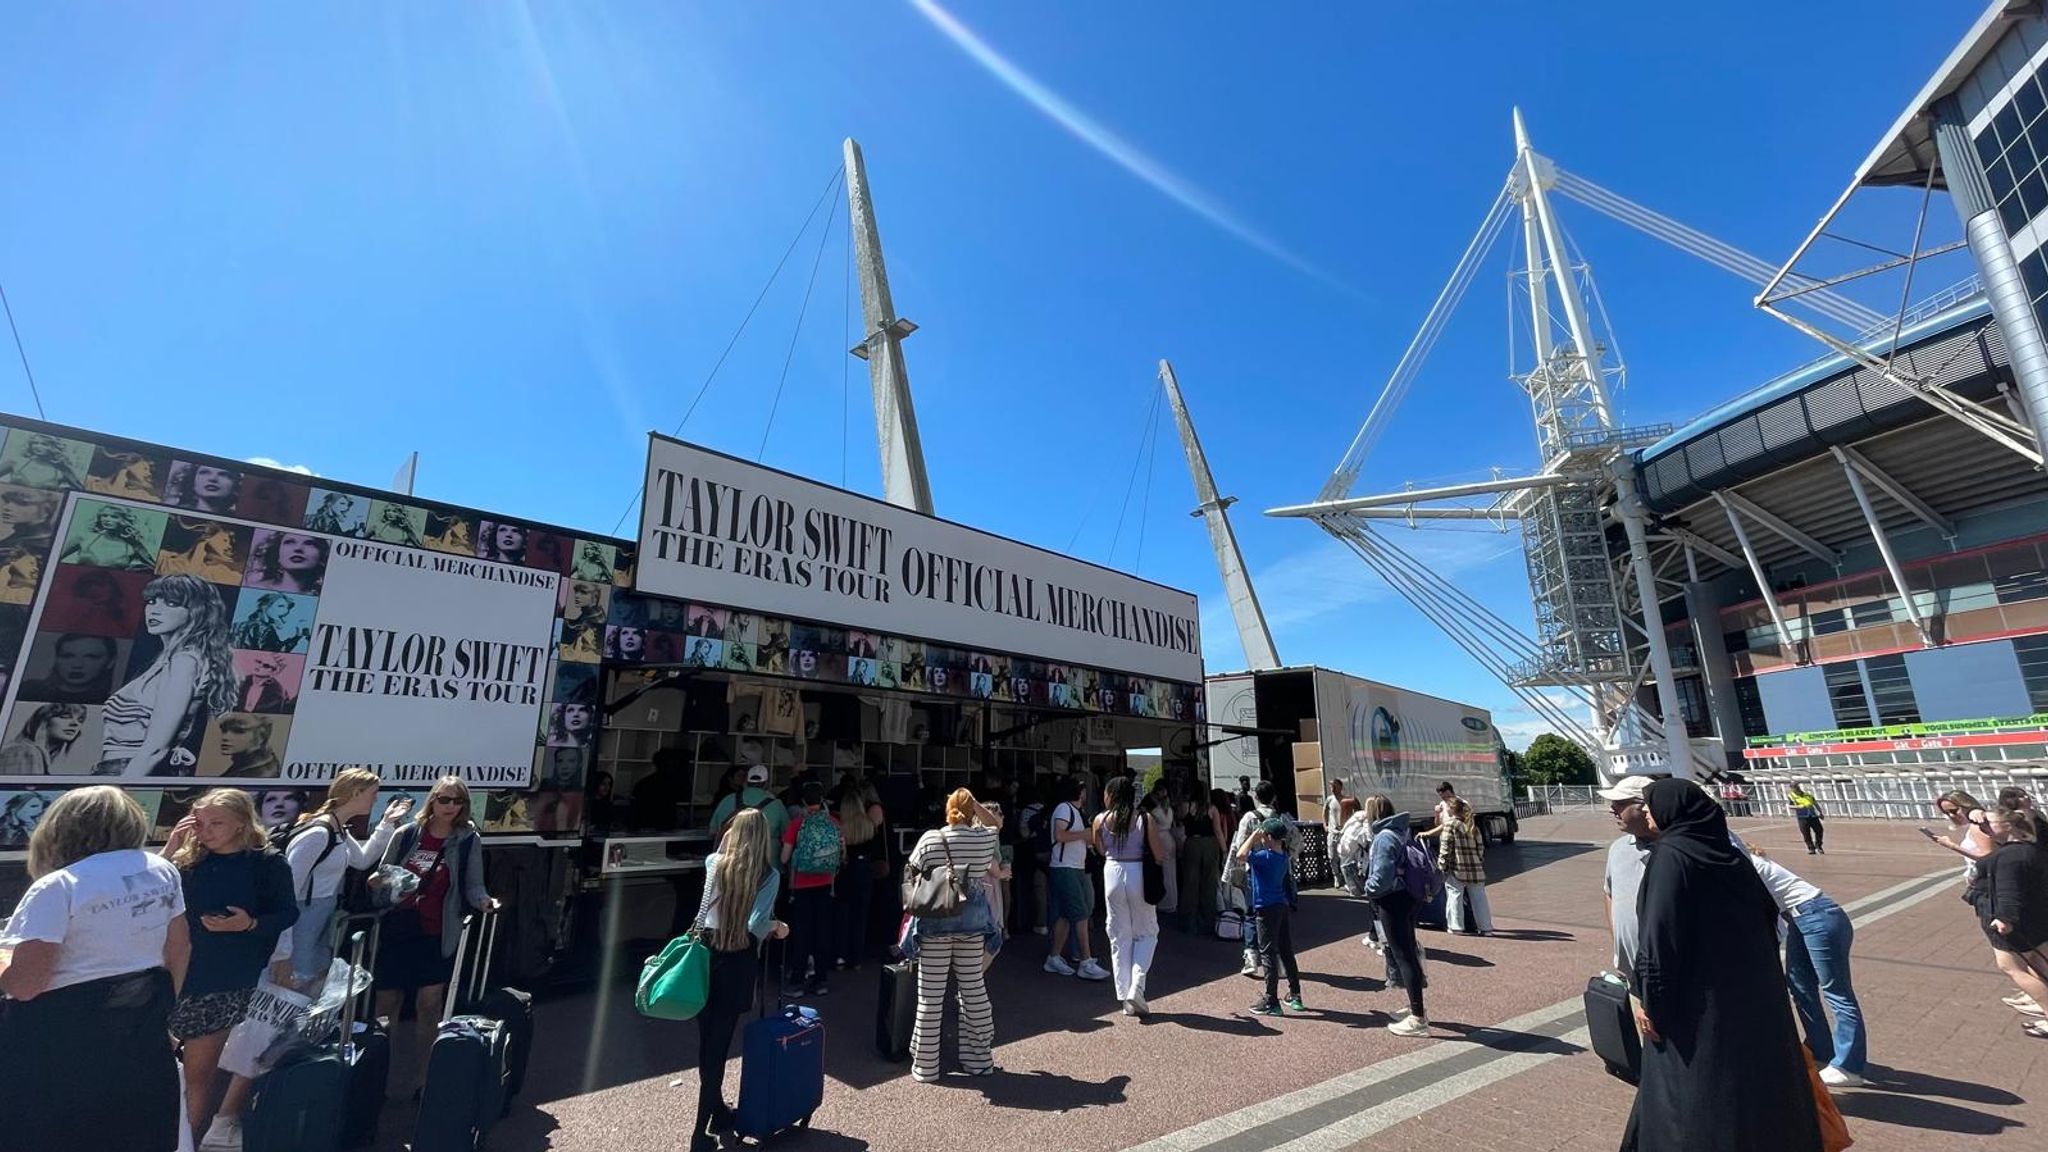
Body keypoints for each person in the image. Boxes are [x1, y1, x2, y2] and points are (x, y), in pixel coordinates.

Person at [1624, 780, 1822, 1151]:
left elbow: (1659, 940)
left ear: (1673, 810)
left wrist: (1651, 1001)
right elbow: (1767, 923)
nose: (1648, 813)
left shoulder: (1671, 856)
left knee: (1696, 1098)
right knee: (1757, 1095)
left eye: (1651, 806)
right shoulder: (1730, 857)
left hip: (1698, 1009)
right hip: (1752, 1001)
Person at [0, 786, 189, 1152]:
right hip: (140, 1038)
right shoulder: (161, 870)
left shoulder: (58, 886)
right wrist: (164, 1014)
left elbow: (25, 984)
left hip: (58, 1046)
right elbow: (178, 948)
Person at [162, 788, 298, 1149]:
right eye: (200, 821)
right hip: (169, 975)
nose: (205, 830)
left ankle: (187, 1142)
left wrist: (249, 925)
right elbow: (152, 896)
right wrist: (173, 845)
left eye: (216, 823)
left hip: (224, 978)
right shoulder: (188, 859)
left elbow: (287, 913)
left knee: (199, 1072)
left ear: (241, 823)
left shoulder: (267, 863)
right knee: (157, 1070)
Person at [373, 776, 496, 1096]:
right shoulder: (407, 834)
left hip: (436, 931)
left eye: (457, 802)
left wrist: (484, 901)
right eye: (444, 800)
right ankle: (374, 1078)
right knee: (387, 1005)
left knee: (430, 1004)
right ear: (432, 801)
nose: (450, 807)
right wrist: (380, 883)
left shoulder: (468, 839)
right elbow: (384, 873)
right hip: (399, 926)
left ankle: (424, 1080)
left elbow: (473, 884)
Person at [685, 809, 787, 1151]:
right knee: (720, 1044)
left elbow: (703, 911)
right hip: (738, 959)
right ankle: (701, 1130)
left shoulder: (714, 863)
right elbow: (756, 924)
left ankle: (717, 1112)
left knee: (706, 1044)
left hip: (706, 953)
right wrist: (777, 926)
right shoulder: (767, 875)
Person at [1732, 835, 1867, 1085]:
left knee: (1836, 990)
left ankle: (1850, 1065)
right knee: (1799, 984)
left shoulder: (1742, 862)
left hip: (1818, 914)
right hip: (1801, 918)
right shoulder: (1744, 859)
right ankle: (1820, 1047)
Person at [906, 789, 1005, 1082]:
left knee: (930, 997)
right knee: (973, 988)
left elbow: (912, 871)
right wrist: (974, 804)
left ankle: (926, 1066)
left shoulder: (931, 838)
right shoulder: (982, 839)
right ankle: (978, 1060)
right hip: (972, 924)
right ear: (971, 811)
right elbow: (994, 825)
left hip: (936, 922)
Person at [99, 574, 238, 779]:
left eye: (172, 603)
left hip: (130, 771)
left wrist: (119, 791)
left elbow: (156, 749)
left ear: (197, 612)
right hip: (118, 769)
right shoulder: (165, 659)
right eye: (152, 601)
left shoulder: (184, 662)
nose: (155, 609)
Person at [1093, 776, 1170, 1017]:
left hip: (1112, 872)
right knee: (1147, 932)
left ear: (1111, 795)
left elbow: (1100, 849)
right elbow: (1158, 854)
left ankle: (1125, 995)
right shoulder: (1144, 819)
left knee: (1118, 935)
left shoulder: (1099, 819)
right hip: (1139, 873)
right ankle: (1137, 986)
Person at [1975, 806, 2048, 1040]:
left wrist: (2005, 918)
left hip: (2016, 922)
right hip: (2036, 916)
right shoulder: (2030, 848)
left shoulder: (2008, 856)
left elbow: (2008, 891)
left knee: (2011, 967)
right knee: (2039, 965)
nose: (1984, 827)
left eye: (1989, 823)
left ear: (2007, 826)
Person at [1360, 794, 1430, 1036]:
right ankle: (1414, 1007)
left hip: (1392, 899)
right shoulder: (1401, 831)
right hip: (1408, 896)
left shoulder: (1382, 838)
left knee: (1403, 955)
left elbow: (1381, 876)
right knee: (1408, 950)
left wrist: (1367, 889)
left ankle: (1418, 1018)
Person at [1043, 774, 1109, 982]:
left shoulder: (1073, 811)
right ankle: (1085, 961)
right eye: (1082, 788)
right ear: (1078, 792)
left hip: (1073, 867)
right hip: (1066, 867)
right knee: (1081, 914)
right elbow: (1060, 835)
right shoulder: (1064, 809)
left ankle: (1054, 957)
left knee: (1065, 914)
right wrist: (1085, 834)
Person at [780, 780, 842, 997]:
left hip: (801, 886)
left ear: (803, 802)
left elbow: (784, 856)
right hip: (827, 885)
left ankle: (797, 981)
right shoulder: (833, 822)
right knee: (822, 933)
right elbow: (841, 855)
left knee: (802, 934)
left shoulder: (798, 824)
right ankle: (821, 980)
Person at [1240, 817, 1305, 1017]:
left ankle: (1271, 999)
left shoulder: (1264, 857)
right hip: (1280, 905)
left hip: (1265, 908)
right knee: (1286, 950)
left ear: (1268, 837)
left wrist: (1253, 835)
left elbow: (1241, 854)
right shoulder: (1282, 856)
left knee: (1267, 952)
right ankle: (1295, 994)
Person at [1600, 776, 1655, 975]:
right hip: (1632, 972)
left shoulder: (1680, 849)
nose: (1612, 809)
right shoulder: (1618, 849)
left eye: (1620, 803)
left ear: (1646, 806)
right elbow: (1609, 893)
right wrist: (1618, 942)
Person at [833, 775, 885, 970]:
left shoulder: (841, 827)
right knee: (860, 916)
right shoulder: (869, 826)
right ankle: (856, 959)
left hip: (845, 870)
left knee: (842, 915)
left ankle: (840, 955)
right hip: (864, 870)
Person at [1435, 797, 1493, 936]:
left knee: (1455, 895)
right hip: (1475, 868)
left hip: (1457, 867)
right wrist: (1478, 861)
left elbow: (1445, 848)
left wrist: (1442, 866)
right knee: (1479, 898)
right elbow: (1480, 848)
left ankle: (1456, 926)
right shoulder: (1472, 826)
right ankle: (1486, 928)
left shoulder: (1450, 825)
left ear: (1451, 809)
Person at [19, 632, 121, 702]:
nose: (77, 665)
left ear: (110, 662)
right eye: (68, 656)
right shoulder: (27, 691)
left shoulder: (112, 705)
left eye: (91, 657)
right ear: (57, 658)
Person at [0, 702, 92, 775]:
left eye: (80, 720)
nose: (75, 723)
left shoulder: (34, 753)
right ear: (44, 720)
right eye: (65, 717)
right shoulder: (24, 751)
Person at [1178, 787, 1223, 934]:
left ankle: (1188, 921)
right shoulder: (1212, 809)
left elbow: (1180, 822)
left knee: (1190, 883)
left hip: (1191, 843)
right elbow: (1217, 830)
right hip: (1210, 844)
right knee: (1209, 882)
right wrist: (1224, 848)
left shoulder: (1187, 806)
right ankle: (1207, 920)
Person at [60, 503, 158, 570]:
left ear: (123, 520)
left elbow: (154, 567)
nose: (107, 519)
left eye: (114, 517)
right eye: (104, 515)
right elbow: (56, 558)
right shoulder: (83, 537)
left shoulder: (132, 546)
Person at [709, 763, 790, 843]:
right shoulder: (777, 805)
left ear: (747, 782)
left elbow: (713, 831)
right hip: (768, 854)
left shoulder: (727, 800)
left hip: (733, 853)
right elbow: (787, 835)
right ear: (766, 783)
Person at [245, 531, 328, 596]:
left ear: (321, 556)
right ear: (277, 555)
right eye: (289, 542)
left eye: (309, 543)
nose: (298, 548)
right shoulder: (253, 588)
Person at [1319, 780, 1349, 892]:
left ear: (1340, 787)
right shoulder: (1329, 800)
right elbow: (1324, 812)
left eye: (1335, 787)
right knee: (1332, 856)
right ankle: (1336, 876)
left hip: (1344, 832)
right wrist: (1325, 825)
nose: (1333, 789)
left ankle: (1346, 877)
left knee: (1344, 855)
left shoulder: (1346, 800)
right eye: (1331, 787)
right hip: (1332, 832)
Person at [1787, 783, 1825, 854]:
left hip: (1813, 816)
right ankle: (1811, 848)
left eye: (1797, 787)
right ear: (1792, 789)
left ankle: (1819, 846)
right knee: (1806, 833)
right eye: (1794, 787)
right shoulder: (1791, 796)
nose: (1796, 788)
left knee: (1819, 831)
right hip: (1802, 817)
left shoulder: (1808, 795)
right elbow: (1789, 806)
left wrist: (1820, 812)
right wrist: (1799, 807)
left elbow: (1815, 804)